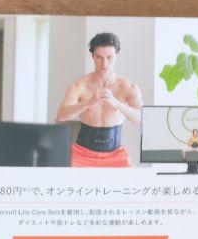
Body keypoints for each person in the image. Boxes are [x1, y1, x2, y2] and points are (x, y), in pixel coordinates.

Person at [57, 31, 142, 168]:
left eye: (109, 57)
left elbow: (141, 119)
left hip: (116, 155)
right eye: (99, 57)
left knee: (133, 180)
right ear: (93, 56)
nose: (104, 63)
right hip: (81, 154)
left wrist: (117, 104)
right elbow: (61, 116)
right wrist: (88, 103)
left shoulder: (128, 87)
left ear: (116, 56)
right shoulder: (79, 86)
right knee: (64, 178)